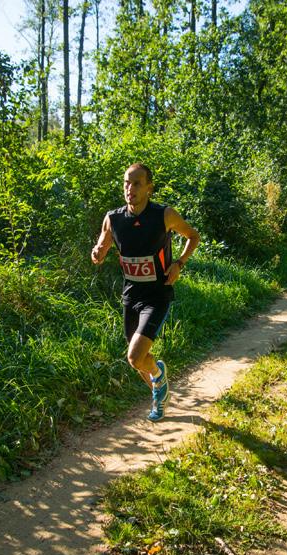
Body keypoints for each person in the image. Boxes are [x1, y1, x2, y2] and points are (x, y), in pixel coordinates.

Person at [91, 163, 200, 422]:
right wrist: (97, 253)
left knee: (135, 355)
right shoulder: (113, 218)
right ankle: (158, 393)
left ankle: (159, 379)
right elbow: (101, 245)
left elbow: (193, 236)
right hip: (131, 295)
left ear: (149, 188)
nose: (130, 189)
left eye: (137, 183)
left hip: (157, 295)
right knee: (136, 361)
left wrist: (179, 263)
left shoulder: (164, 215)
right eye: (127, 183)